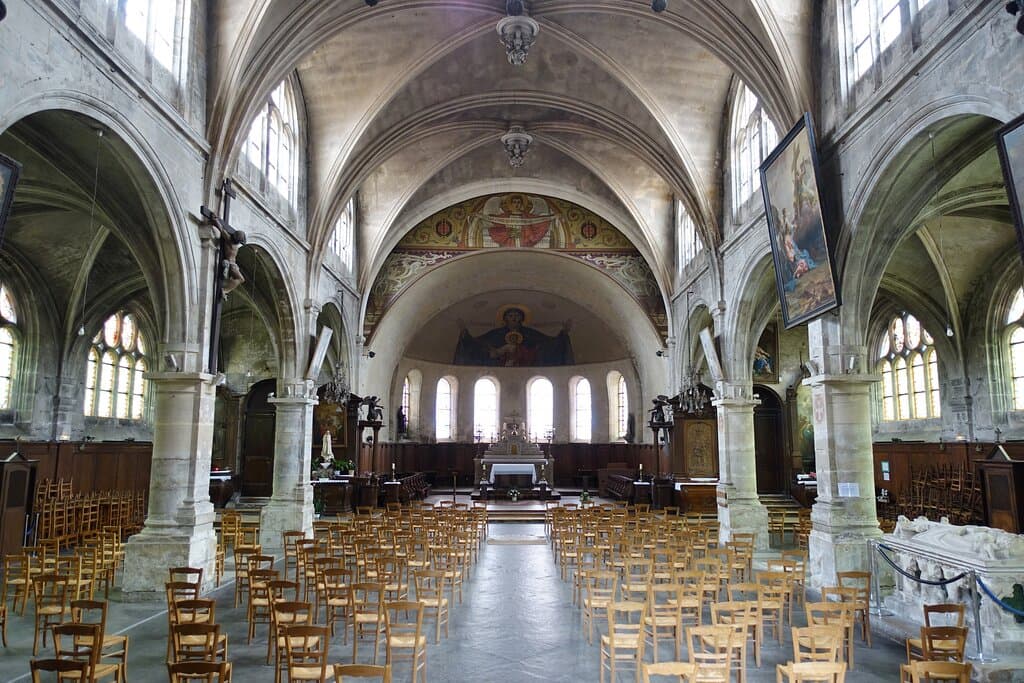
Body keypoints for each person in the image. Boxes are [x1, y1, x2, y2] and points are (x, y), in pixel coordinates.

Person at [454, 306, 574, 367]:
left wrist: (563, 334)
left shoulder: (530, 333)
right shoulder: (496, 334)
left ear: (522, 319)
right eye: (510, 315)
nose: (514, 318)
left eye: (517, 315)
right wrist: (465, 334)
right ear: (505, 318)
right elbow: (479, 344)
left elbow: (547, 344)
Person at [212, 215, 247, 298]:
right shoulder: (229, 240)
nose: (240, 243)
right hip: (231, 263)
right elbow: (221, 229)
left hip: (232, 264)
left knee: (234, 279)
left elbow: (222, 229)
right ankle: (225, 290)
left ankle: (226, 272)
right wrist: (215, 220)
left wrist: (216, 221)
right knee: (241, 279)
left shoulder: (232, 242)